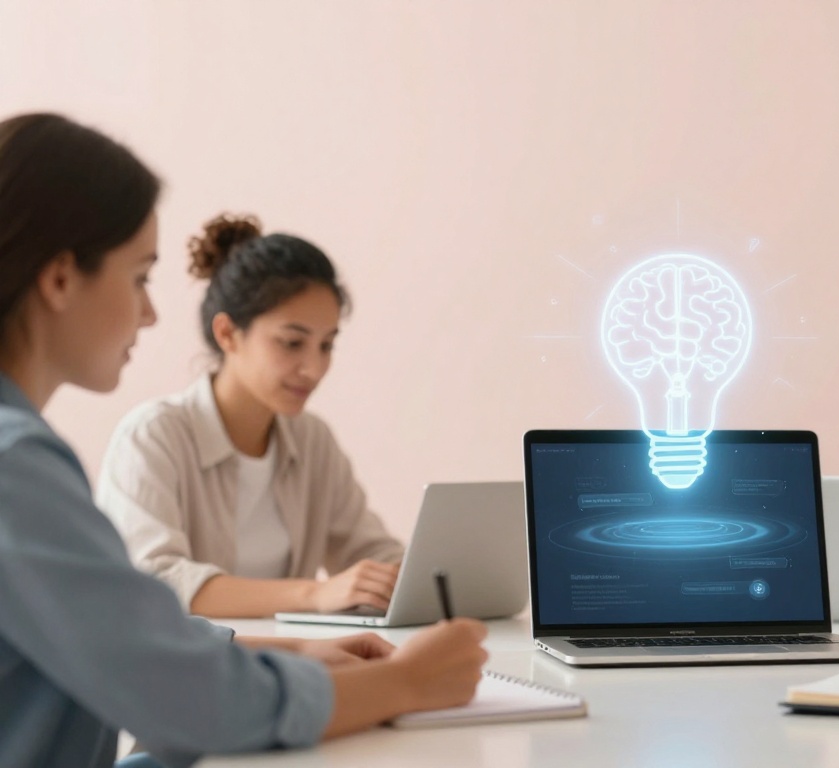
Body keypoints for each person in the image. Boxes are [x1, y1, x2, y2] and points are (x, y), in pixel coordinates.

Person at [0, 112, 487, 768]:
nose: (151, 312)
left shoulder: (19, 457)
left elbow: (129, 646)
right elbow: (183, 693)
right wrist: (404, 683)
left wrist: (290, 651)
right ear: (60, 278)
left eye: (326, 345)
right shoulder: (17, 466)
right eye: (140, 277)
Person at [97, 214, 404, 618]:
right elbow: (157, 580)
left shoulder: (312, 440)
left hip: (290, 655)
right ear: (227, 334)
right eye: (292, 343)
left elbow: (370, 553)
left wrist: (420, 577)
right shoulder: (153, 436)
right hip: (189, 657)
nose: (313, 368)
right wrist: (314, 594)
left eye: (326, 345)